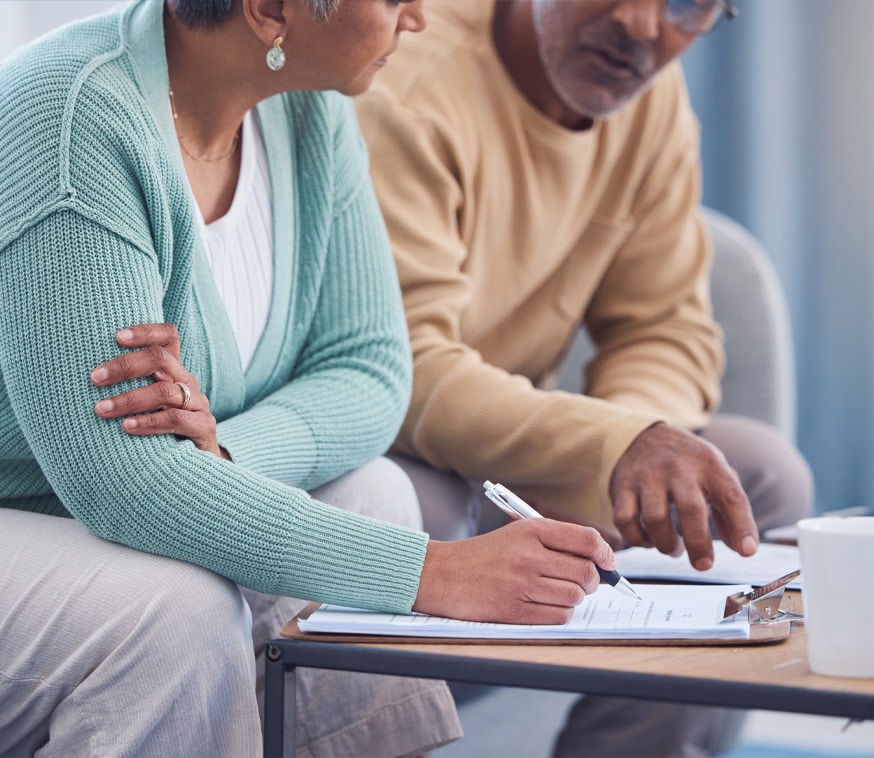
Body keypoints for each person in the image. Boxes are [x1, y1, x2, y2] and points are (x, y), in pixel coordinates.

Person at [0, 1, 621, 755]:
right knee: (174, 614)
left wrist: (222, 454)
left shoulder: (309, 114)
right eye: (394, 0)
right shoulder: (70, 118)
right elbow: (121, 482)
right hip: (25, 512)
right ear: (268, 11)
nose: (420, 18)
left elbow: (369, 369)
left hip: (107, 497)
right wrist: (432, 573)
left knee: (379, 493)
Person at [355, 0, 815, 755]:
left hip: (529, 446)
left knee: (760, 477)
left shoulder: (651, 99)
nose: (642, 26)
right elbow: (403, 368)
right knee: (407, 502)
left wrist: (626, 448)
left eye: (688, 5)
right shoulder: (408, 77)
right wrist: (613, 443)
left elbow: (663, 326)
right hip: (404, 441)